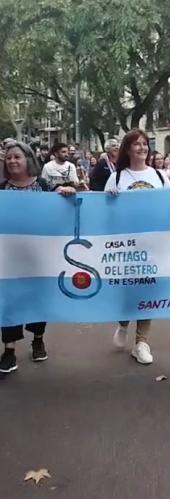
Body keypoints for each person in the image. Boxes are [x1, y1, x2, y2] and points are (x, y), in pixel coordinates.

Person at [105, 129, 170, 365]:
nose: (141, 148)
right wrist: (109, 198)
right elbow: (105, 211)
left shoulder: (159, 176)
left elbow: (169, 206)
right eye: (136, 144)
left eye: (145, 144)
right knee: (128, 291)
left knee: (148, 293)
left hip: (154, 246)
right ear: (127, 149)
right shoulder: (117, 177)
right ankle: (123, 322)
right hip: (127, 246)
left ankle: (141, 342)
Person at [0, 142, 78, 376]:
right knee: (9, 301)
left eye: (17, 157)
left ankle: (38, 339)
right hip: (9, 258)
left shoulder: (43, 186)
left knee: (37, 299)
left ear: (28, 160)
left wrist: (66, 192)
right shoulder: (2, 189)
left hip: (40, 256)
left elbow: (65, 201)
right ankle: (9, 350)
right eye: (9, 158)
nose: (12, 161)